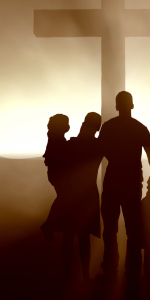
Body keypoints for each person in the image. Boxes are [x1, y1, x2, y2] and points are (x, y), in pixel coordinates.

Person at [99, 91, 150, 281]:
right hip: (132, 184)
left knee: (110, 229)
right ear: (132, 105)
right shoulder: (141, 128)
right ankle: (133, 271)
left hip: (112, 182)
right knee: (133, 231)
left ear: (116, 106)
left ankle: (110, 269)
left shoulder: (108, 127)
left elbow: (99, 154)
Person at [62, 112, 102, 282]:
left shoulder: (73, 144)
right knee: (82, 237)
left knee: (69, 236)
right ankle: (84, 275)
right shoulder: (98, 146)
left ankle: (67, 275)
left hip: (72, 193)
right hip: (87, 194)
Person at [40, 114, 70, 242]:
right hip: (58, 174)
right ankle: (49, 225)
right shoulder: (56, 138)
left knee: (62, 198)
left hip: (55, 173)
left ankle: (52, 224)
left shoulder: (54, 136)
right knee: (63, 197)